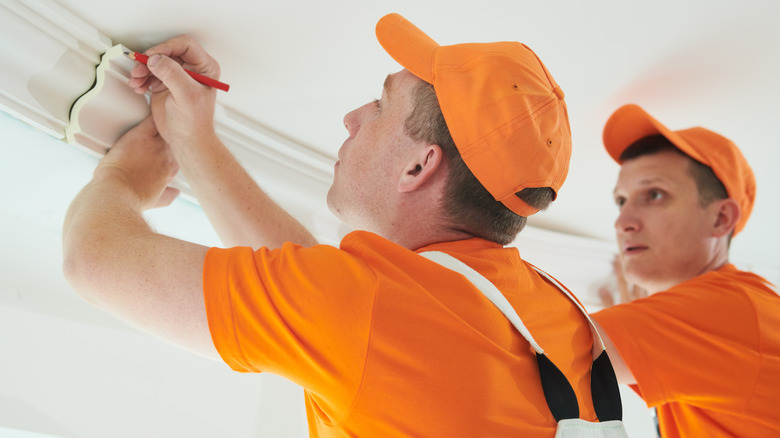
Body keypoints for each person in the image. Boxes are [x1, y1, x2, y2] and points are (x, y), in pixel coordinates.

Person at [63, 13, 614, 436]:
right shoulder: (555, 312)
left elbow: (94, 260)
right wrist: (193, 142)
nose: (352, 117)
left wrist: (125, 177)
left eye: (379, 106)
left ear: (418, 165)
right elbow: (328, 303)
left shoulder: (370, 311)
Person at [591, 104, 780, 437]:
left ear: (720, 218)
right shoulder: (723, 316)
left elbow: (536, 345)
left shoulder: (729, 309)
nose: (623, 223)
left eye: (654, 194)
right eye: (622, 200)